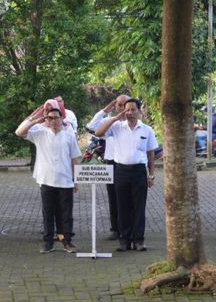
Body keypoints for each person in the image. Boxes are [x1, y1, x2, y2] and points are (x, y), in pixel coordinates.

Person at [16, 103, 81, 253]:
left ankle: (67, 241)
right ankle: (48, 242)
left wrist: (76, 180)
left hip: (65, 180)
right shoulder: (40, 133)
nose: (53, 121)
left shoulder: (69, 135)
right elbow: (19, 132)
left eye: (56, 118)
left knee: (66, 213)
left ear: (61, 118)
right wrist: (37, 119)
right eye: (49, 118)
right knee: (48, 213)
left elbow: (74, 160)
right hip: (46, 180)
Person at [95, 98, 158, 252]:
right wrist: (115, 118)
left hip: (139, 172)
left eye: (132, 110)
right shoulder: (116, 127)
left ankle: (139, 240)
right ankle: (124, 240)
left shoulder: (146, 130)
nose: (129, 113)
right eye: (126, 109)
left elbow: (150, 155)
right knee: (123, 207)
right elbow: (98, 132)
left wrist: (151, 175)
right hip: (121, 171)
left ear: (139, 111)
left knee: (139, 207)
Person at [86, 95, 129, 240]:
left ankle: (128, 229)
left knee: (128, 198)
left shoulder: (135, 122)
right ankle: (115, 229)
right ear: (115, 106)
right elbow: (91, 127)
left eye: (125, 105)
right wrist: (105, 110)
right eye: (119, 105)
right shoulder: (108, 122)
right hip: (112, 163)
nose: (122, 108)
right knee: (113, 197)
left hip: (128, 165)